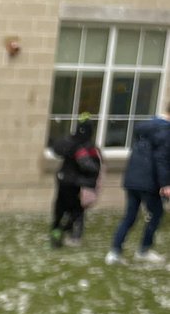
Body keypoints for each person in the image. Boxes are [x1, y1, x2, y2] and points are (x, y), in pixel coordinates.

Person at [105, 102, 170, 264]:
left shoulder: (145, 128)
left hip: (132, 179)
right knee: (156, 214)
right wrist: (166, 184)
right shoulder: (165, 132)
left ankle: (114, 252)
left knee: (129, 217)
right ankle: (144, 250)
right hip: (149, 182)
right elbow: (162, 159)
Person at [49, 113, 102, 247]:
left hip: (65, 180)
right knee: (75, 210)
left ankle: (58, 232)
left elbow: (58, 148)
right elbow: (91, 167)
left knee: (62, 209)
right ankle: (64, 233)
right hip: (74, 182)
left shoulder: (72, 143)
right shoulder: (84, 147)